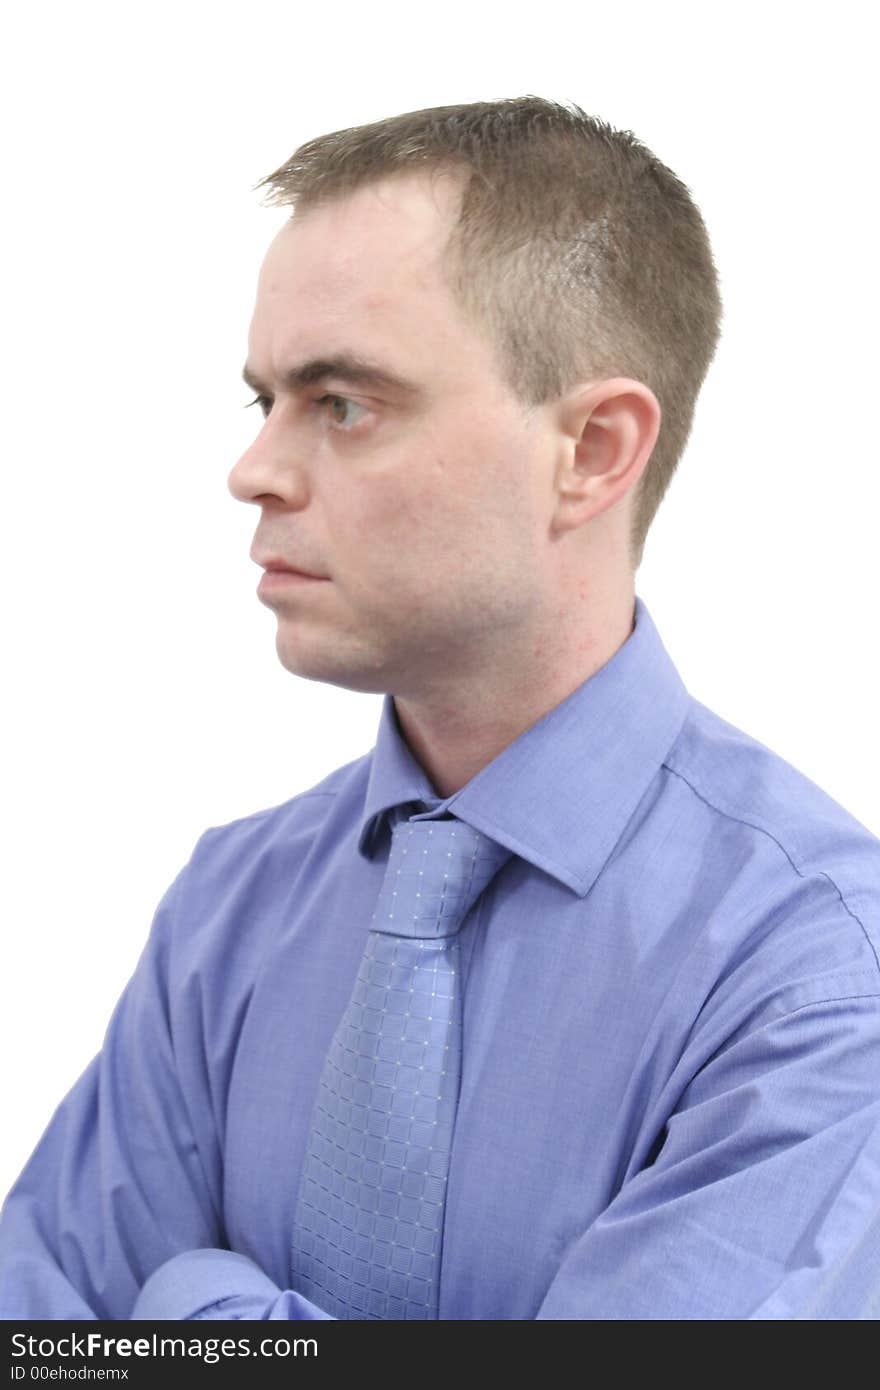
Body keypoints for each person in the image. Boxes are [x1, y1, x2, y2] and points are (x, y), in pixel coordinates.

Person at [2, 95, 879, 1322]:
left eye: (343, 402)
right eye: (266, 402)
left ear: (592, 450)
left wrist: (201, 1305)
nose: (253, 469)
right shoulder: (229, 908)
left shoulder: (820, 977)